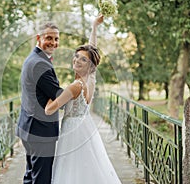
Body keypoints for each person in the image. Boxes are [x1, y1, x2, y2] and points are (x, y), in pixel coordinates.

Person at [45, 14, 122, 184]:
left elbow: (49, 109)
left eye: (83, 59)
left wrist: (46, 93)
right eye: (77, 56)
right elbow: (92, 48)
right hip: (85, 127)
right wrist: (94, 26)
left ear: (90, 65)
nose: (78, 60)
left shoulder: (74, 87)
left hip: (72, 132)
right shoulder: (90, 81)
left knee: (72, 171)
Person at [16, 22, 63, 184]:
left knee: (31, 175)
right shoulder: (39, 64)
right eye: (49, 38)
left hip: (30, 127)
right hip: (40, 131)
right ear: (38, 38)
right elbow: (58, 96)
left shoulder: (34, 58)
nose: (53, 42)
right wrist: (77, 90)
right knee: (41, 178)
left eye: (56, 39)